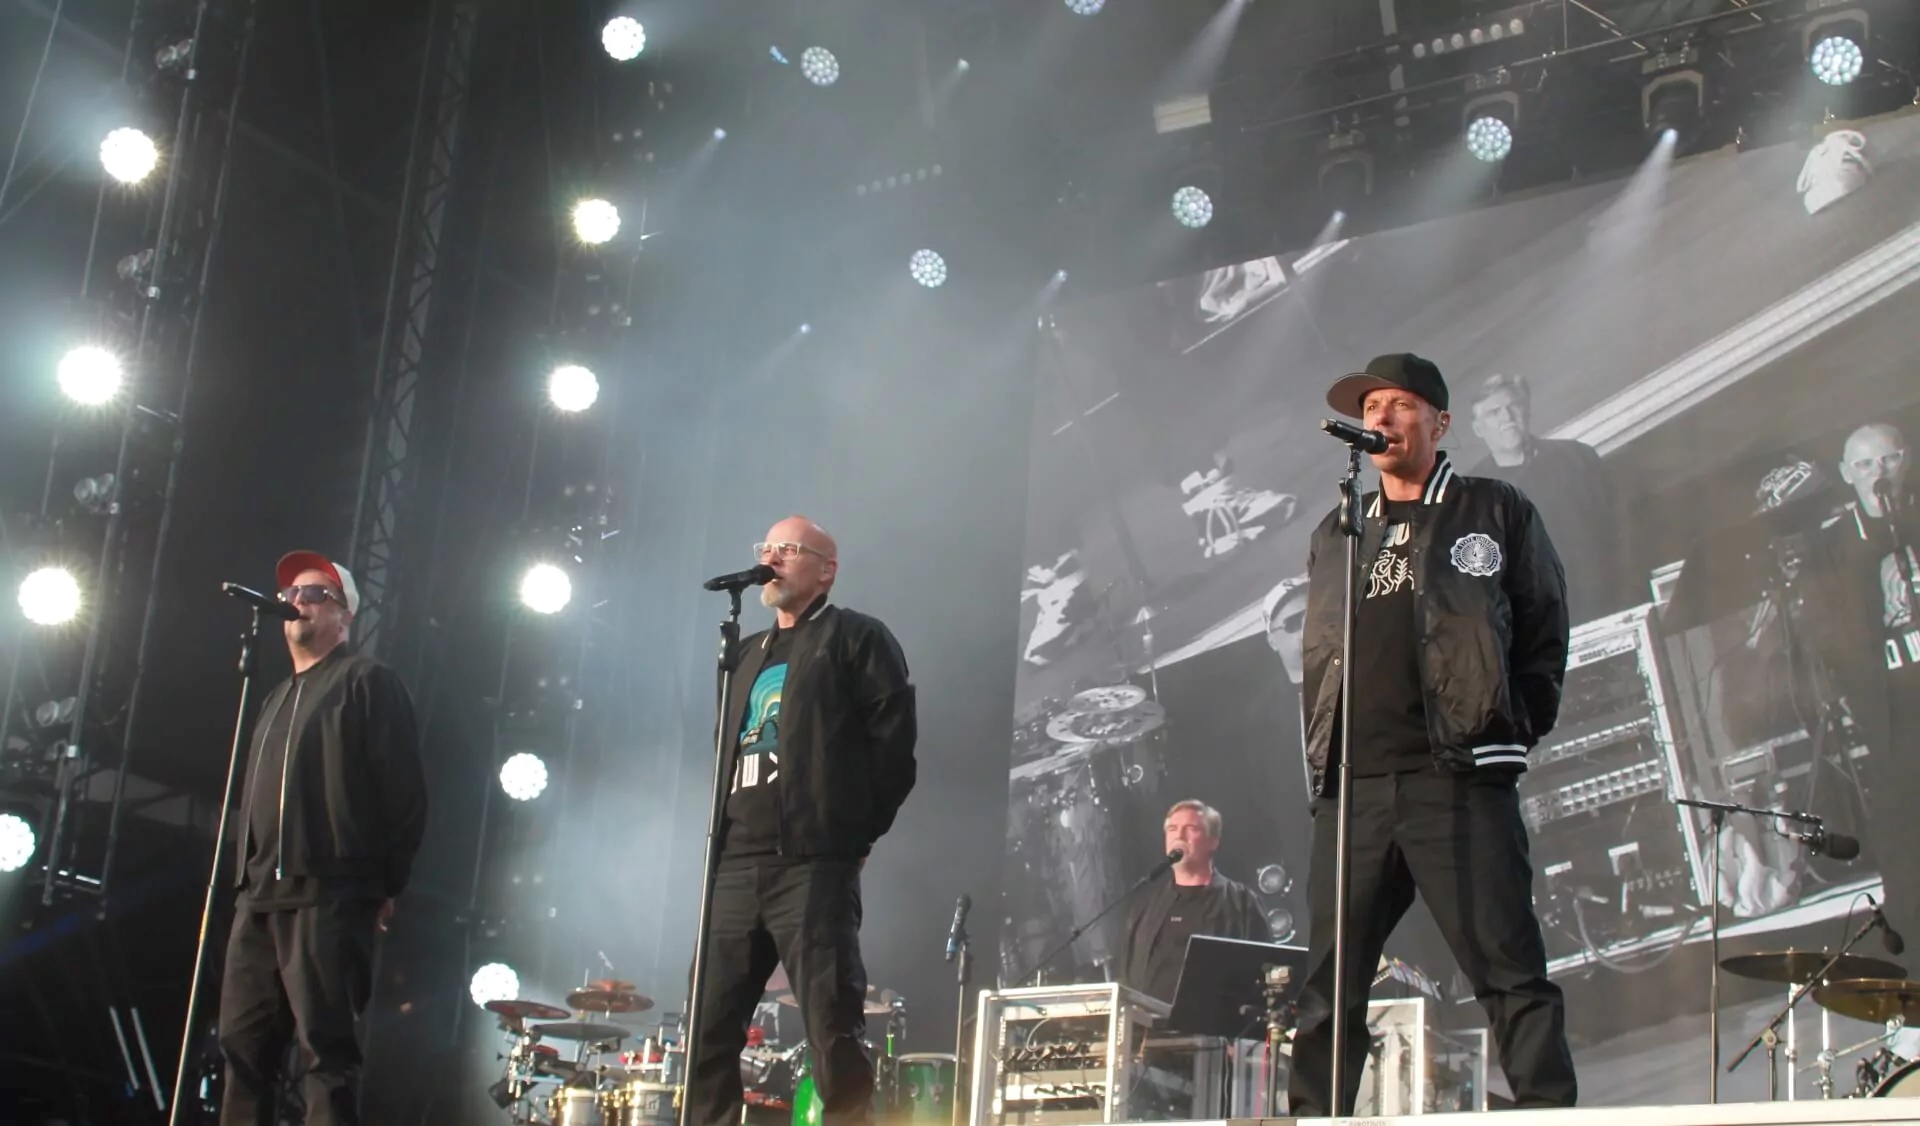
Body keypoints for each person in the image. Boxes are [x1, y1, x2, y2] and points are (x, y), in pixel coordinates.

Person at [1288, 354, 1577, 1116]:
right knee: (1328, 989)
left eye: (1400, 404)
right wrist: (1325, 760)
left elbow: (1545, 626)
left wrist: (1505, 729)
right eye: (1371, 406)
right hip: (1354, 790)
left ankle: (1548, 1109)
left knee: (1508, 971)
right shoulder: (1339, 531)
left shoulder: (1493, 509)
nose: (1381, 417)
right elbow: (1322, 653)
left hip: (1456, 777)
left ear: (1440, 422)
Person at [686, 516, 918, 1126]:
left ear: (826, 570)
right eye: (766, 548)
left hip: (811, 866)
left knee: (832, 1028)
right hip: (735, 866)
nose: (771, 558)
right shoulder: (743, 654)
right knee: (706, 1030)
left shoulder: (856, 638)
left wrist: (857, 835)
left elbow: (895, 749)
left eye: (787, 549)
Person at [218, 551, 427, 1126]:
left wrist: (386, 884)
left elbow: (404, 792)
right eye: (290, 593)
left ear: (345, 615)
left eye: (314, 594)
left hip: (329, 893)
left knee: (325, 1054)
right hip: (258, 897)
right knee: (241, 1049)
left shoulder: (367, 681)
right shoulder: (273, 697)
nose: (297, 601)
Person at [1812, 423, 1920, 942]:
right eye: (1864, 465)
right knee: (1906, 840)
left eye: (1889, 460)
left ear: (1907, 461)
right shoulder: (1834, 548)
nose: (1879, 474)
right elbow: (1830, 641)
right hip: (1893, 712)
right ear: (1846, 474)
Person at [1466, 372, 1625, 623]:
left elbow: (1621, 528)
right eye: (1494, 412)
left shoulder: (1578, 459)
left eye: (1513, 406)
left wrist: (1630, 596)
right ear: (1478, 428)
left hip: (1605, 606)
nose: (1507, 417)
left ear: (1527, 411)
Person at [1116, 801, 1269, 1006]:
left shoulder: (1242, 903)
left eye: (1191, 829)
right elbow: (1127, 979)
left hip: (1215, 1023)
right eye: (1172, 829)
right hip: (1150, 1024)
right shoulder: (1145, 907)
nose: (1179, 836)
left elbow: (1266, 973)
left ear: (1213, 842)